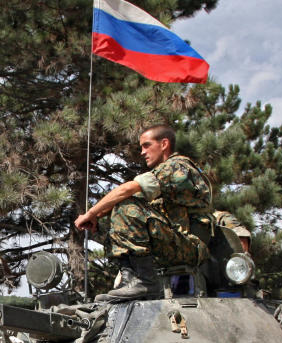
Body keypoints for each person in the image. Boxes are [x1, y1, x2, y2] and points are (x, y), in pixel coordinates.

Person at [75, 124, 216, 302]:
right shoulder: (162, 176)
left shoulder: (178, 168)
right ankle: (129, 279)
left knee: (127, 208)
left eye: (146, 145)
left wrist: (91, 213)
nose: (142, 152)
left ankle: (146, 281)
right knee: (117, 213)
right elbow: (119, 200)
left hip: (192, 247)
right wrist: (96, 217)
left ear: (164, 144)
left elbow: (127, 190)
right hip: (173, 243)